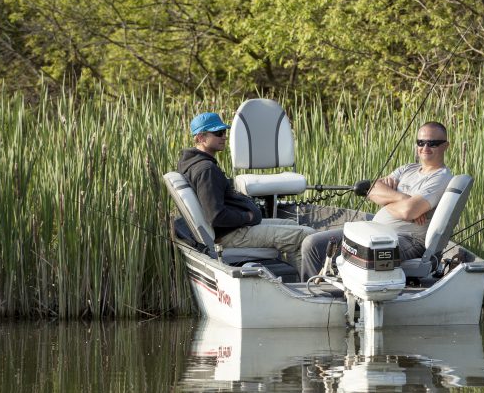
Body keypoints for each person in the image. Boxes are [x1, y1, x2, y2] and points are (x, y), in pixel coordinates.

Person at [300, 121, 453, 281]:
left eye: (433, 143)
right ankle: (315, 294)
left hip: (407, 239)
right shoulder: (407, 169)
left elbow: (409, 211)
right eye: (421, 142)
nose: (425, 148)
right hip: (374, 231)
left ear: (445, 146)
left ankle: (341, 295)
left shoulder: (441, 177)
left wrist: (393, 199)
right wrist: (404, 199)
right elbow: (372, 189)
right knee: (312, 244)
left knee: (366, 250)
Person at [178, 112, 315, 271]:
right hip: (230, 234)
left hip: (231, 229)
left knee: (291, 224)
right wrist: (247, 216)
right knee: (307, 235)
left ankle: (296, 279)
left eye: (224, 132)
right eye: (218, 133)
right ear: (201, 138)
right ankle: (309, 288)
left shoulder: (197, 164)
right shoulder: (206, 170)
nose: (224, 137)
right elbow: (215, 216)